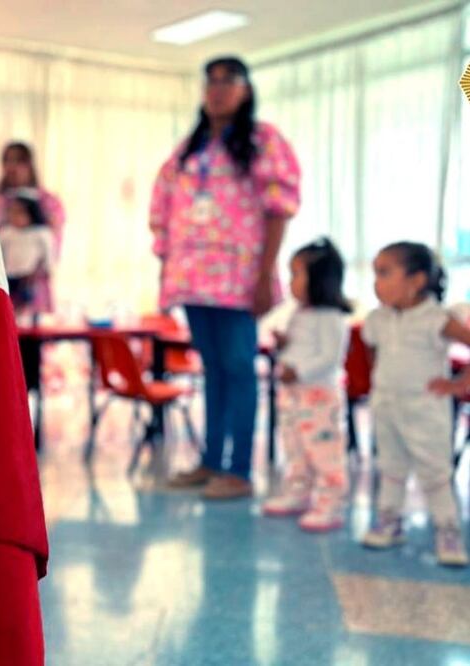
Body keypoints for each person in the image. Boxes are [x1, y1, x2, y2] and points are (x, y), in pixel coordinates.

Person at [151, 56, 301, 499]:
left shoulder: (263, 140)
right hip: (193, 278)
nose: (217, 90)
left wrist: (263, 274)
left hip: (238, 278)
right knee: (213, 370)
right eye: (210, 82)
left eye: (228, 81)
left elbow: (279, 209)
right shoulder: (189, 148)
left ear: (246, 90)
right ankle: (211, 461)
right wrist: (167, 272)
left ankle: (239, 471)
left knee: (238, 370)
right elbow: (164, 209)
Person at [360, 242, 468, 568]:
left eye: (384, 273)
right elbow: (372, 353)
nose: (376, 282)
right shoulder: (376, 319)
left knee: (434, 470)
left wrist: (459, 383)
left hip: (426, 409)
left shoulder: (435, 318)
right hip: (387, 406)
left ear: (417, 280)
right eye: (374, 273)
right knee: (390, 466)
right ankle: (390, 521)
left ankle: (447, 529)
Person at [262, 238, 351, 532]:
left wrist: (298, 371)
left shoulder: (333, 317)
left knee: (323, 451)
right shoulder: (300, 313)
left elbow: (329, 357)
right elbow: (302, 348)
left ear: (320, 279)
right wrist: (285, 344)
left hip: (318, 397)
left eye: (297, 274)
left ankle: (331, 502)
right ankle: (298, 492)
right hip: (292, 396)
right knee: (295, 446)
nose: (291, 283)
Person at [0, 142, 65, 311]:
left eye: (19, 161)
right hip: (0, 282)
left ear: (29, 165)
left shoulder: (48, 202)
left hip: (34, 285)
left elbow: (53, 245)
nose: (13, 167)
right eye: (8, 161)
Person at [0, 190, 55, 317]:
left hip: (30, 276)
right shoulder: (6, 232)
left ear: (32, 213)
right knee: (9, 303)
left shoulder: (41, 233)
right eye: (12, 212)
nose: (14, 216)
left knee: (29, 303)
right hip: (9, 274)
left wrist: (48, 269)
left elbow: (48, 254)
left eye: (19, 212)